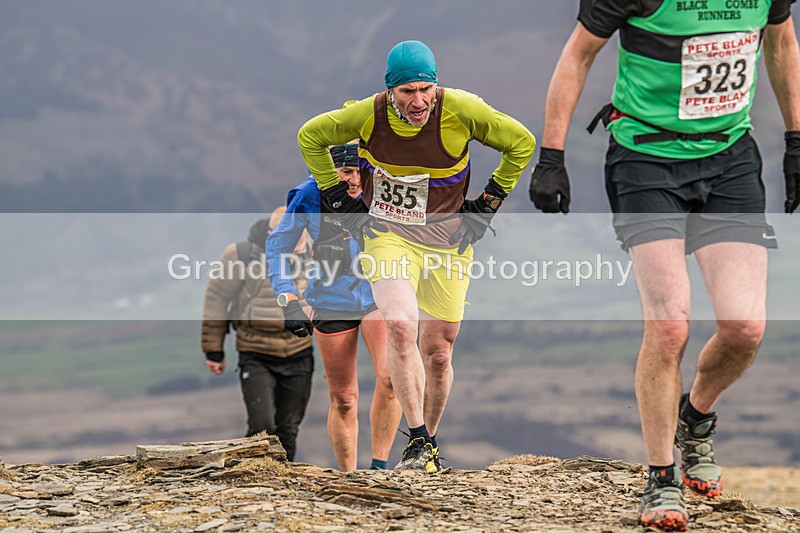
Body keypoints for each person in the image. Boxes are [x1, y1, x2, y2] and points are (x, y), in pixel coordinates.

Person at [529, 2, 800, 530]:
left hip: (729, 159)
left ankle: (694, 418)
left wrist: (796, 140)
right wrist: (552, 157)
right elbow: (578, 55)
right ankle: (661, 477)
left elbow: (782, 42)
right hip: (646, 160)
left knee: (745, 328)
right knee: (670, 324)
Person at [296, 41, 535, 472]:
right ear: (391, 90)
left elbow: (521, 142)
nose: (419, 101)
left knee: (439, 353)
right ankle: (417, 438)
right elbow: (310, 136)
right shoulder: (367, 114)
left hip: (447, 242)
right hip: (387, 236)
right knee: (402, 325)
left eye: (426, 89)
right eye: (407, 91)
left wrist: (488, 204)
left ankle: (431, 443)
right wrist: (338, 198)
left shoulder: (461, 109)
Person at [266, 144, 403, 471]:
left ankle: (379, 468)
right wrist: (287, 300)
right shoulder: (309, 194)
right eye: (346, 172)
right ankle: (349, 475)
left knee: (389, 379)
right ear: (330, 171)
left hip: (377, 291)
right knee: (344, 399)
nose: (354, 180)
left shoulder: (382, 185)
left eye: (359, 171)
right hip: (331, 297)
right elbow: (277, 246)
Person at [201, 211, 314, 462]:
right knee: (261, 427)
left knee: (288, 429)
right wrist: (213, 349)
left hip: (300, 352)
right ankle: (251, 474)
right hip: (255, 351)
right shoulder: (242, 256)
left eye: (301, 239)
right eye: (290, 239)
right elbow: (217, 298)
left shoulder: (318, 255)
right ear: (272, 235)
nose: (296, 247)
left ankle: (282, 479)